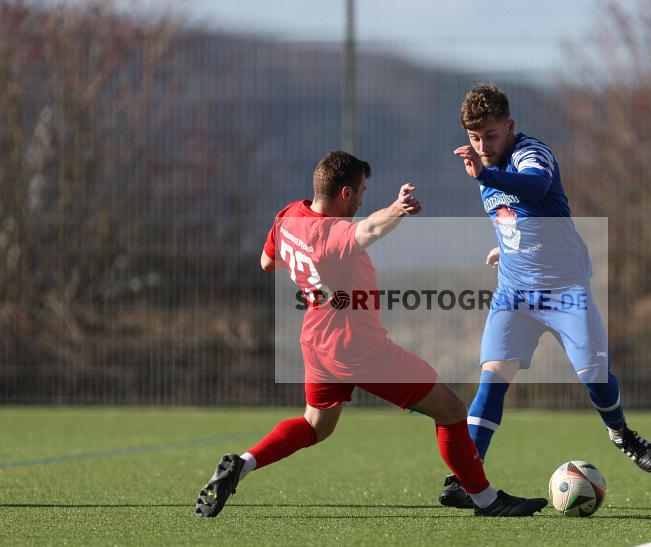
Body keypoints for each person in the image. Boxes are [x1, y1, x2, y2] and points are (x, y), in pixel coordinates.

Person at [193, 151, 547, 518]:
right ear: (345, 192)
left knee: (315, 426)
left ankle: (243, 464)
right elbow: (370, 229)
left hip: (317, 342)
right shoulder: (331, 234)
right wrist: (397, 208)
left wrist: (309, 270)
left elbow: (267, 262)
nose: (363, 199)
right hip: (358, 348)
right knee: (452, 411)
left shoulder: (288, 216)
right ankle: (487, 500)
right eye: (361, 191)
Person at [440, 84, 651, 509]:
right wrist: (505, 245)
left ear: (510, 126)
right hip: (513, 294)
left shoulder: (530, 153)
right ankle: (466, 477)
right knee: (492, 378)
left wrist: (484, 174)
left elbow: (537, 188)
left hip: (565, 291)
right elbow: (513, 215)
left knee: (594, 378)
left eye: (490, 135)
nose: (482, 145)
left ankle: (620, 433)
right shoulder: (483, 168)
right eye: (474, 137)